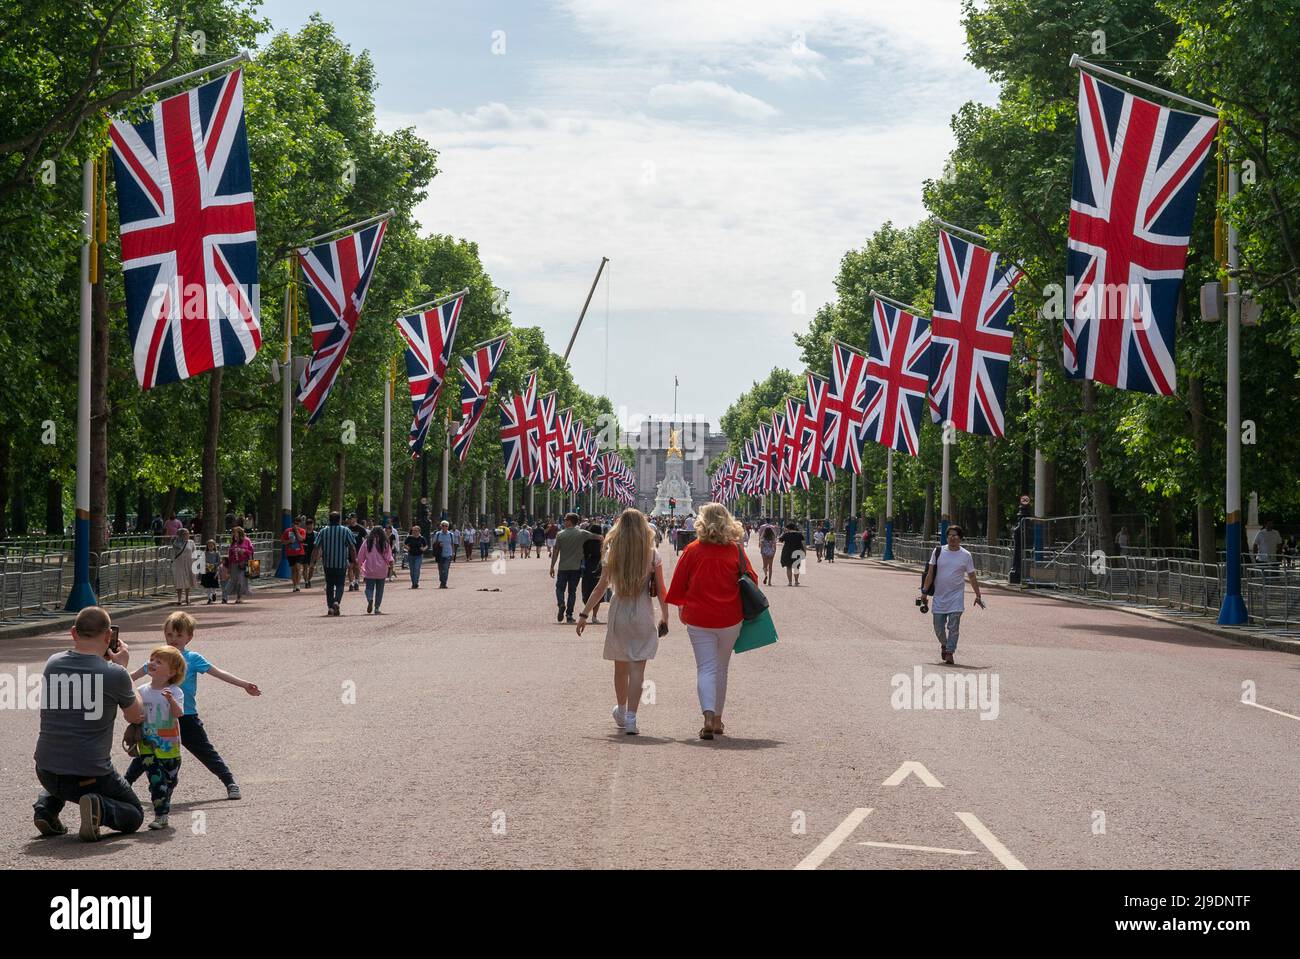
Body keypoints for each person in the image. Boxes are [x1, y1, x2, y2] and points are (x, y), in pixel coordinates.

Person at [33, 606, 145, 841]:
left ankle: (46, 808)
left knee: (64, 755)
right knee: (135, 814)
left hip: (46, 770)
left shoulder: (53, 663)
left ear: (73, 633)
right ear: (108, 637)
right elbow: (136, 716)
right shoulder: (115, 674)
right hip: (89, 775)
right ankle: (100, 807)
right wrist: (122, 668)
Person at [126, 612, 258, 802]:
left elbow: (219, 672)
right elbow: (131, 677)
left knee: (205, 751)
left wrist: (244, 684)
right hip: (159, 718)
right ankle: (125, 784)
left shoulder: (193, 658)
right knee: (147, 752)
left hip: (186, 716)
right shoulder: (158, 659)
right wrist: (110, 679)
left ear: (189, 637)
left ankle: (229, 782)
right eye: (170, 634)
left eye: (179, 635)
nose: (173, 640)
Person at [664, 503, 757, 740]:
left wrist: (681, 606)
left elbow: (678, 583)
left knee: (705, 668)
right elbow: (753, 579)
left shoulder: (692, 549)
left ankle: (707, 715)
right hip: (730, 617)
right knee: (721, 668)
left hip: (698, 617)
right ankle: (717, 720)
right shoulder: (736, 550)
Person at [575, 509, 668, 736]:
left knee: (620, 667)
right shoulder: (652, 554)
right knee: (638, 667)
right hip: (643, 610)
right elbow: (662, 591)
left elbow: (600, 588)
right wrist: (666, 616)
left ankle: (622, 708)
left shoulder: (613, 552)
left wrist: (584, 614)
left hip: (619, 609)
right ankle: (631, 719)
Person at [129, 644, 186, 829]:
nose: (152, 663)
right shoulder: (142, 690)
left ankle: (162, 797)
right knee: (157, 781)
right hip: (148, 745)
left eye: (159, 661)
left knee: (170, 781)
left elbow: (179, 714)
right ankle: (161, 815)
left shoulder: (175, 691)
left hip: (170, 747)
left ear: (172, 672)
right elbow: (133, 709)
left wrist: (171, 700)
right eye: (152, 659)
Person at [920, 524, 985, 665]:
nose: (952, 538)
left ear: (960, 538)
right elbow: (930, 573)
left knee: (953, 626)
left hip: (956, 596)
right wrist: (924, 592)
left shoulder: (966, 555)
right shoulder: (938, 551)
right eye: (949, 535)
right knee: (938, 627)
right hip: (939, 596)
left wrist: (978, 595)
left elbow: (972, 576)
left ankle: (950, 651)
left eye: (955, 535)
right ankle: (944, 644)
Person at [551, 512, 601, 623]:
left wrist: (552, 567)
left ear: (569, 521)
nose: (564, 521)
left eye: (565, 519)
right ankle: (569, 615)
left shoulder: (560, 534)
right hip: (576, 567)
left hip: (563, 567)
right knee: (572, 592)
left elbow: (555, 552)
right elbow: (597, 537)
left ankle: (561, 603)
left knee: (559, 589)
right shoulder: (582, 533)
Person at [313, 511, 358, 616]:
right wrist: (354, 560)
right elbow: (352, 547)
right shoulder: (346, 531)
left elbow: (316, 547)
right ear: (339, 519)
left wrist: (313, 561)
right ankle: (336, 601)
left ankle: (330, 606)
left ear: (329, 519)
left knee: (329, 585)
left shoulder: (323, 531)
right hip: (341, 563)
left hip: (328, 563)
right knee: (340, 584)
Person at [358, 526, 393, 614]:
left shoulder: (367, 542)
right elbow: (389, 556)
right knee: (380, 589)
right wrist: (391, 563)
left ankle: (370, 598)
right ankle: (377, 608)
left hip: (370, 569)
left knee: (368, 588)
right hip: (382, 569)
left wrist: (359, 565)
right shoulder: (385, 543)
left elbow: (360, 555)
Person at [580, 522, 606, 624]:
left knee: (587, 589)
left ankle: (587, 610)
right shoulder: (603, 541)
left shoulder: (586, 542)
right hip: (599, 565)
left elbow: (583, 554)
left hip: (588, 565)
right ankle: (594, 616)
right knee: (599, 589)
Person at [225, 527, 254, 604]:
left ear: (240, 533)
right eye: (233, 532)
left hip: (243, 564)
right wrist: (229, 567)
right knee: (234, 581)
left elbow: (251, 551)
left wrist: (244, 551)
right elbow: (230, 555)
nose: (234, 534)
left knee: (241, 581)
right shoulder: (233, 542)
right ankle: (228, 595)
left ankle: (239, 597)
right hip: (234, 564)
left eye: (236, 532)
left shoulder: (247, 540)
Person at [170, 527, 196, 605]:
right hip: (179, 564)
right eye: (185, 534)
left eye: (188, 533)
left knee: (188, 580)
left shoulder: (191, 542)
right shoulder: (176, 543)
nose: (188, 535)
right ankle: (179, 599)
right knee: (180, 581)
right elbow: (173, 554)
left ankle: (187, 598)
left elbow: (194, 552)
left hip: (189, 563)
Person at [282, 516, 307, 592]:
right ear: (292, 523)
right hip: (290, 553)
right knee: (293, 569)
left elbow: (301, 539)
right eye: (294, 523)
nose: (296, 525)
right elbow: (283, 542)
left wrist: (296, 531)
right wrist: (289, 541)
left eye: (297, 524)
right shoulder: (287, 531)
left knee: (298, 567)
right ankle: (294, 585)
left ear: (299, 524)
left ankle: (298, 585)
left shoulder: (302, 531)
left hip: (299, 552)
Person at [778, 521, 806, 586]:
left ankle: (790, 582)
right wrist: (804, 551)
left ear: (788, 528)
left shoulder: (786, 534)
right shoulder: (799, 534)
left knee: (788, 567)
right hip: (797, 551)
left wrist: (784, 532)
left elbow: (780, 540)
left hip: (787, 552)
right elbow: (803, 544)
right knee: (796, 567)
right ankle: (796, 581)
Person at [432, 520, 456, 588]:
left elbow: (452, 544)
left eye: (446, 526)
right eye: (443, 526)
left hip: (448, 554)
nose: (444, 527)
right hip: (440, 554)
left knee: (445, 569)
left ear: (448, 527)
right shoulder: (438, 534)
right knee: (440, 569)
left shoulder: (451, 535)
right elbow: (433, 543)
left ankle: (444, 583)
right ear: (441, 526)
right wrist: (439, 544)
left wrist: (453, 552)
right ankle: (442, 580)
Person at [200, 539, 222, 604]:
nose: (210, 546)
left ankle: (214, 593)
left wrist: (214, 565)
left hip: (214, 571)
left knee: (213, 585)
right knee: (208, 585)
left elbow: (219, 561)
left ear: (214, 546)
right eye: (209, 545)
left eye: (211, 545)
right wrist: (205, 564)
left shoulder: (217, 553)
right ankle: (209, 598)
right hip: (207, 571)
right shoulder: (205, 553)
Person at [757, 521, 777, 585]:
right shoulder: (773, 538)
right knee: (770, 566)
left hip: (764, 552)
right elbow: (774, 546)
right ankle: (769, 582)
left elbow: (762, 547)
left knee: (764, 566)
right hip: (771, 552)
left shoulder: (763, 539)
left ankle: (766, 575)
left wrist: (761, 552)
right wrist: (774, 552)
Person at [302, 517, 318, 588]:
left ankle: (309, 579)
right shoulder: (303, 533)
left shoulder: (315, 534)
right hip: (304, 553)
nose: (310, 526)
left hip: (313, 554)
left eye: (311, 525)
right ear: (306, 525)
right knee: (305, 567)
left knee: (312, 568)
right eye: (308, 525)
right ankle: (306, 581)